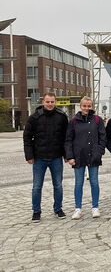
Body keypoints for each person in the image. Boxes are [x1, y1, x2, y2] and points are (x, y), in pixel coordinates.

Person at [23, 92, 68, 222]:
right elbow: (27, 138)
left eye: (52, 102)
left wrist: (66, 155)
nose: (50, 104)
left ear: (55, 102)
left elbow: (66, 138)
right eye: (47, 102)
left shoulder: (62, 117)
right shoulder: (34, 118)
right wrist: (29, 156)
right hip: (39, 158)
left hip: (56, 157)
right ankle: (36, 211)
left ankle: (58, 209)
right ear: (43, 102)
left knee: (58, 185)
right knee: (37, 186)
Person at [65, 97, 107, 219]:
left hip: (93, 155)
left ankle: (95, 207)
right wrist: (70, 156)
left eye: (89, 106)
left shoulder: (97, 120)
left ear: (92, 106)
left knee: (94, 182)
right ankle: (78, 209)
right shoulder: (73, 121)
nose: (87, 108)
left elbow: (102, 138)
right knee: (78, 183)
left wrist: (99, 152)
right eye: (84, 106)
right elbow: (68, 140)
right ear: (80, 106)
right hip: (78, 156)